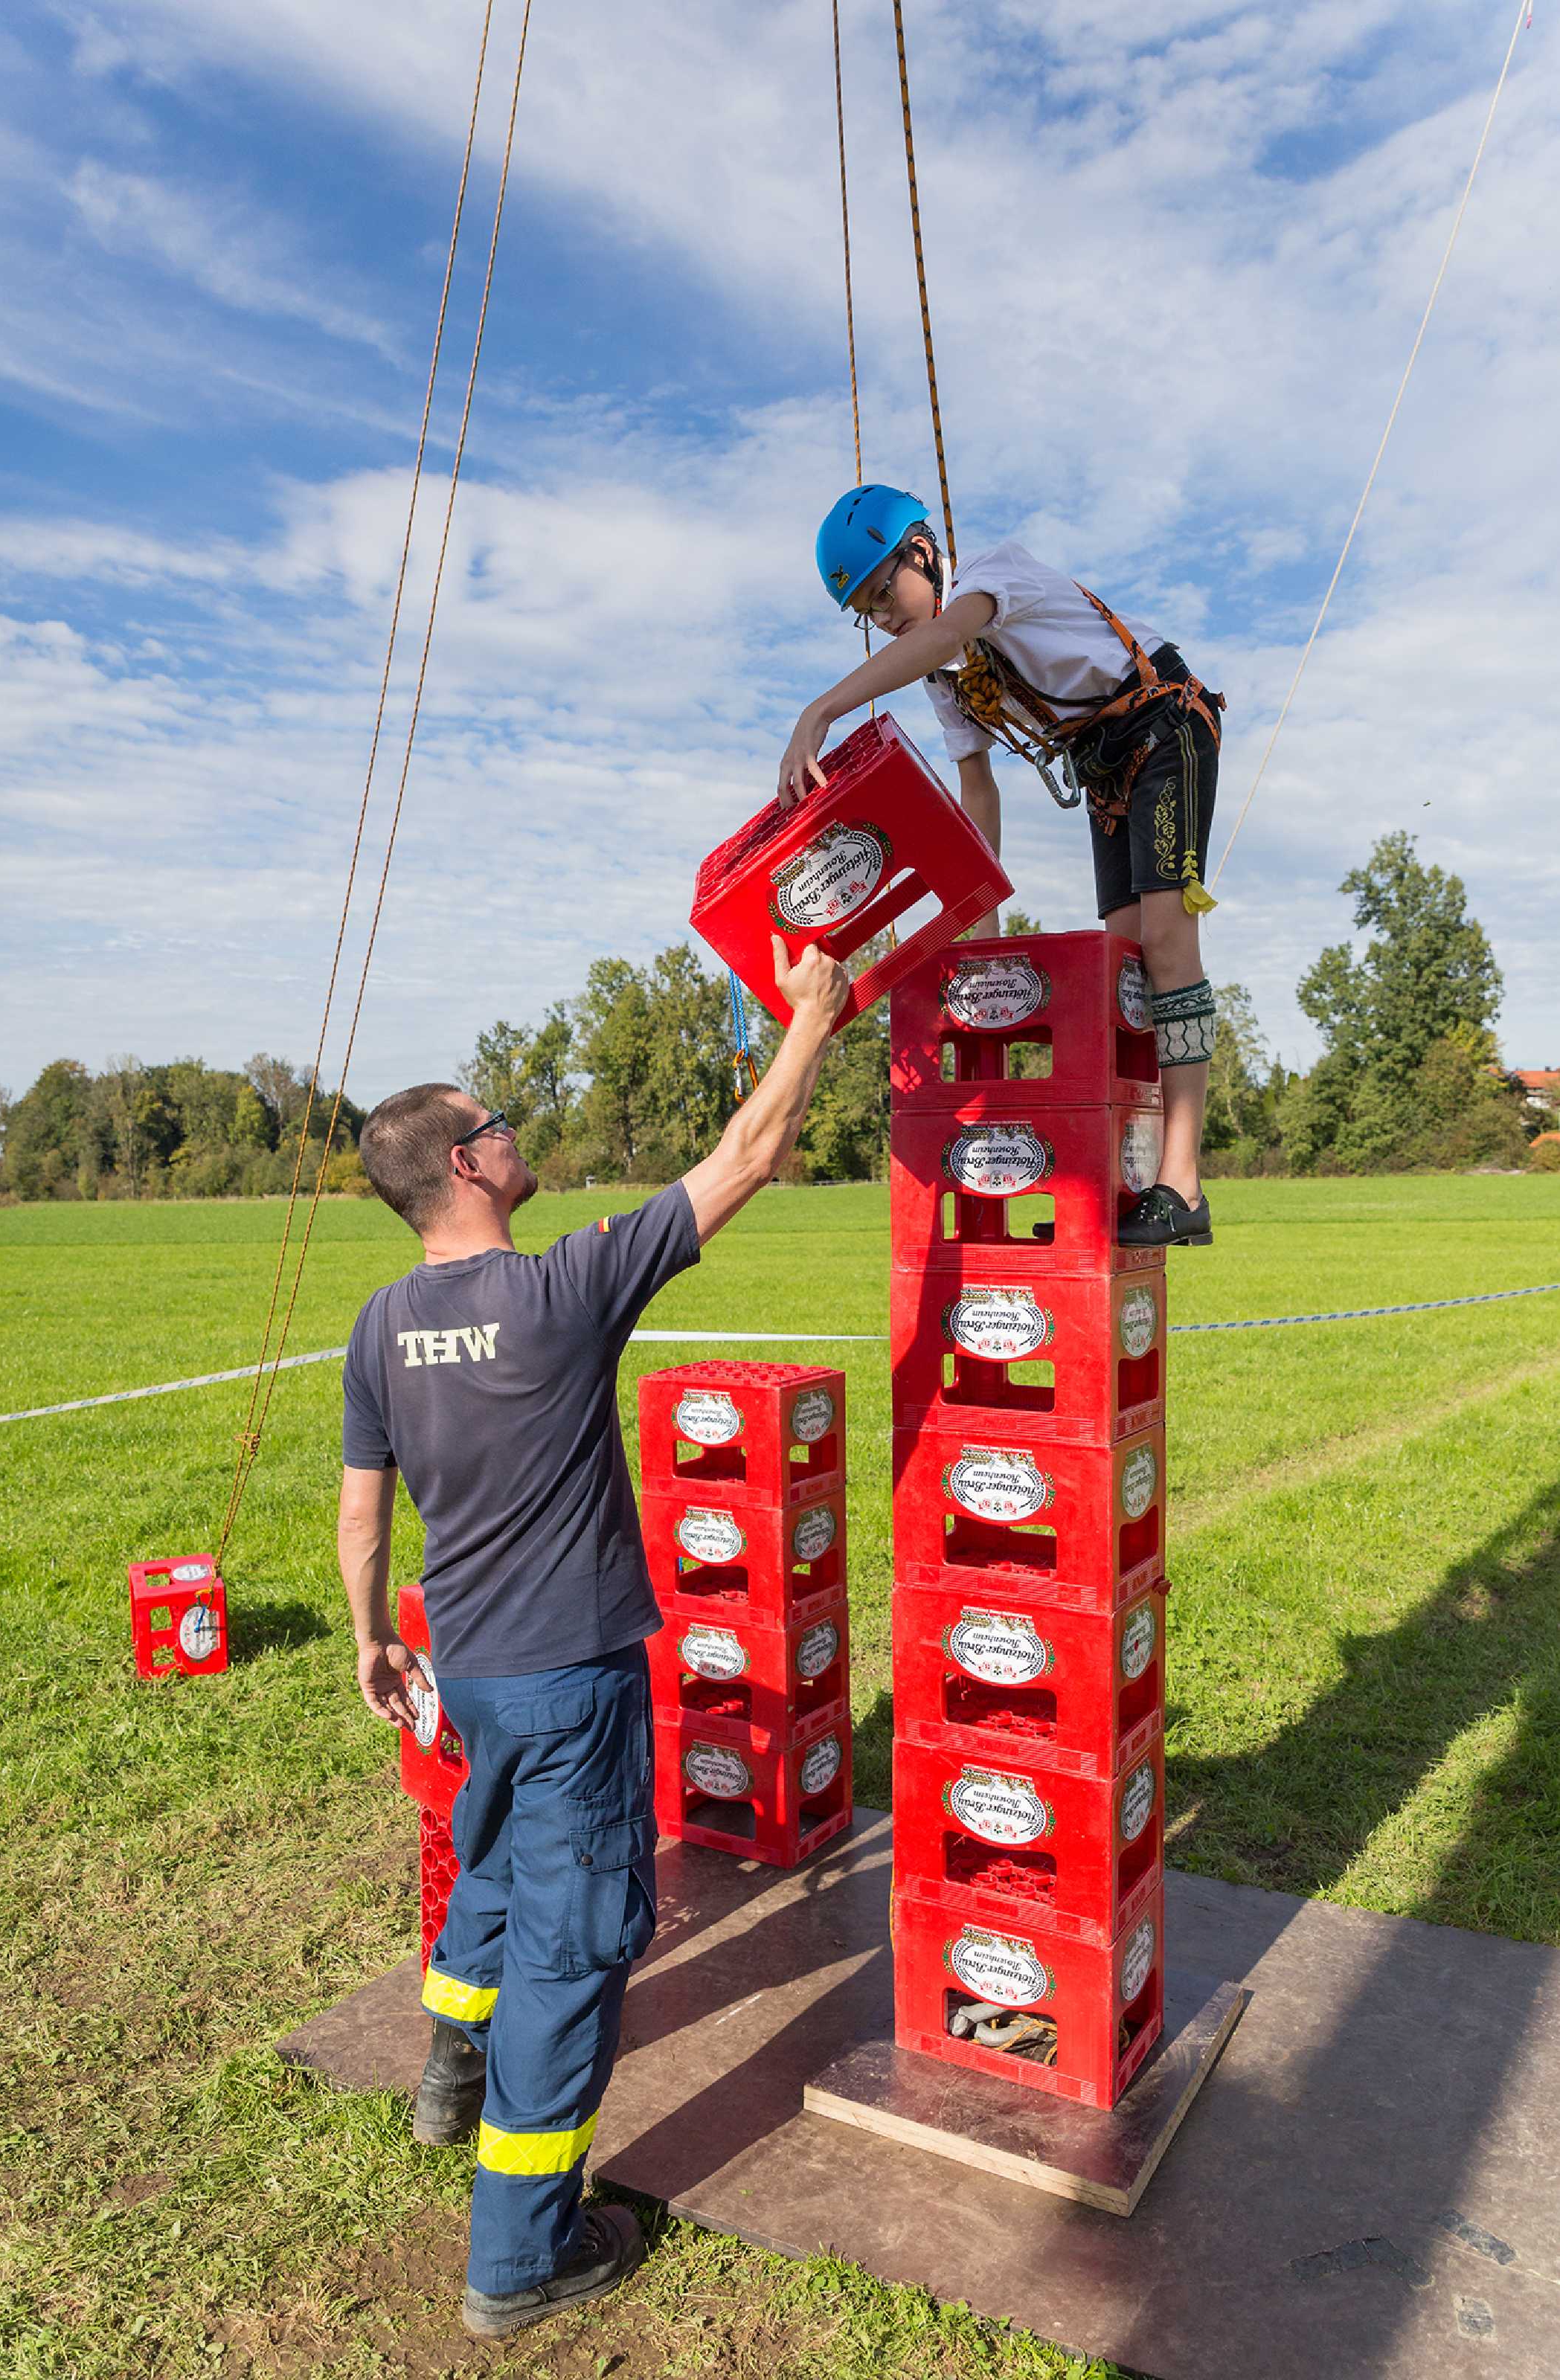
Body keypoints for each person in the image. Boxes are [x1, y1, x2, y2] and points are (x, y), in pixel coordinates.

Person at [335, 936, 849, 2339]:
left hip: (469, 1669)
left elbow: (364, 1512)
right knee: (570, 1956)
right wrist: (811, 1018)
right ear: (465, 1166)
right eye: (497, 1124)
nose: (517, 1134)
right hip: (571, 1679)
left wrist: (375, 1641)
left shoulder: (380, 1327)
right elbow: (747, 1157)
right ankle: (521, 2257)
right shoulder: (560, 1291)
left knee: (493, 1866)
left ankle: (451, 2065)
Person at [777, 483, 1225, 1250]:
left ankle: (1181, 1186)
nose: (883, 618)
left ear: (923, 552)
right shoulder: (947, 676)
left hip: (1163, 721)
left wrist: (819, 710)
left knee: (1163, 943)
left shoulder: (990, 576)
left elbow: (944, 631)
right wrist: (978, 944)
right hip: (1103, 763)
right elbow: (976, 791)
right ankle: (1129, 1185)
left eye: (884, 592)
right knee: (1123, 965)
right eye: (867, 612)